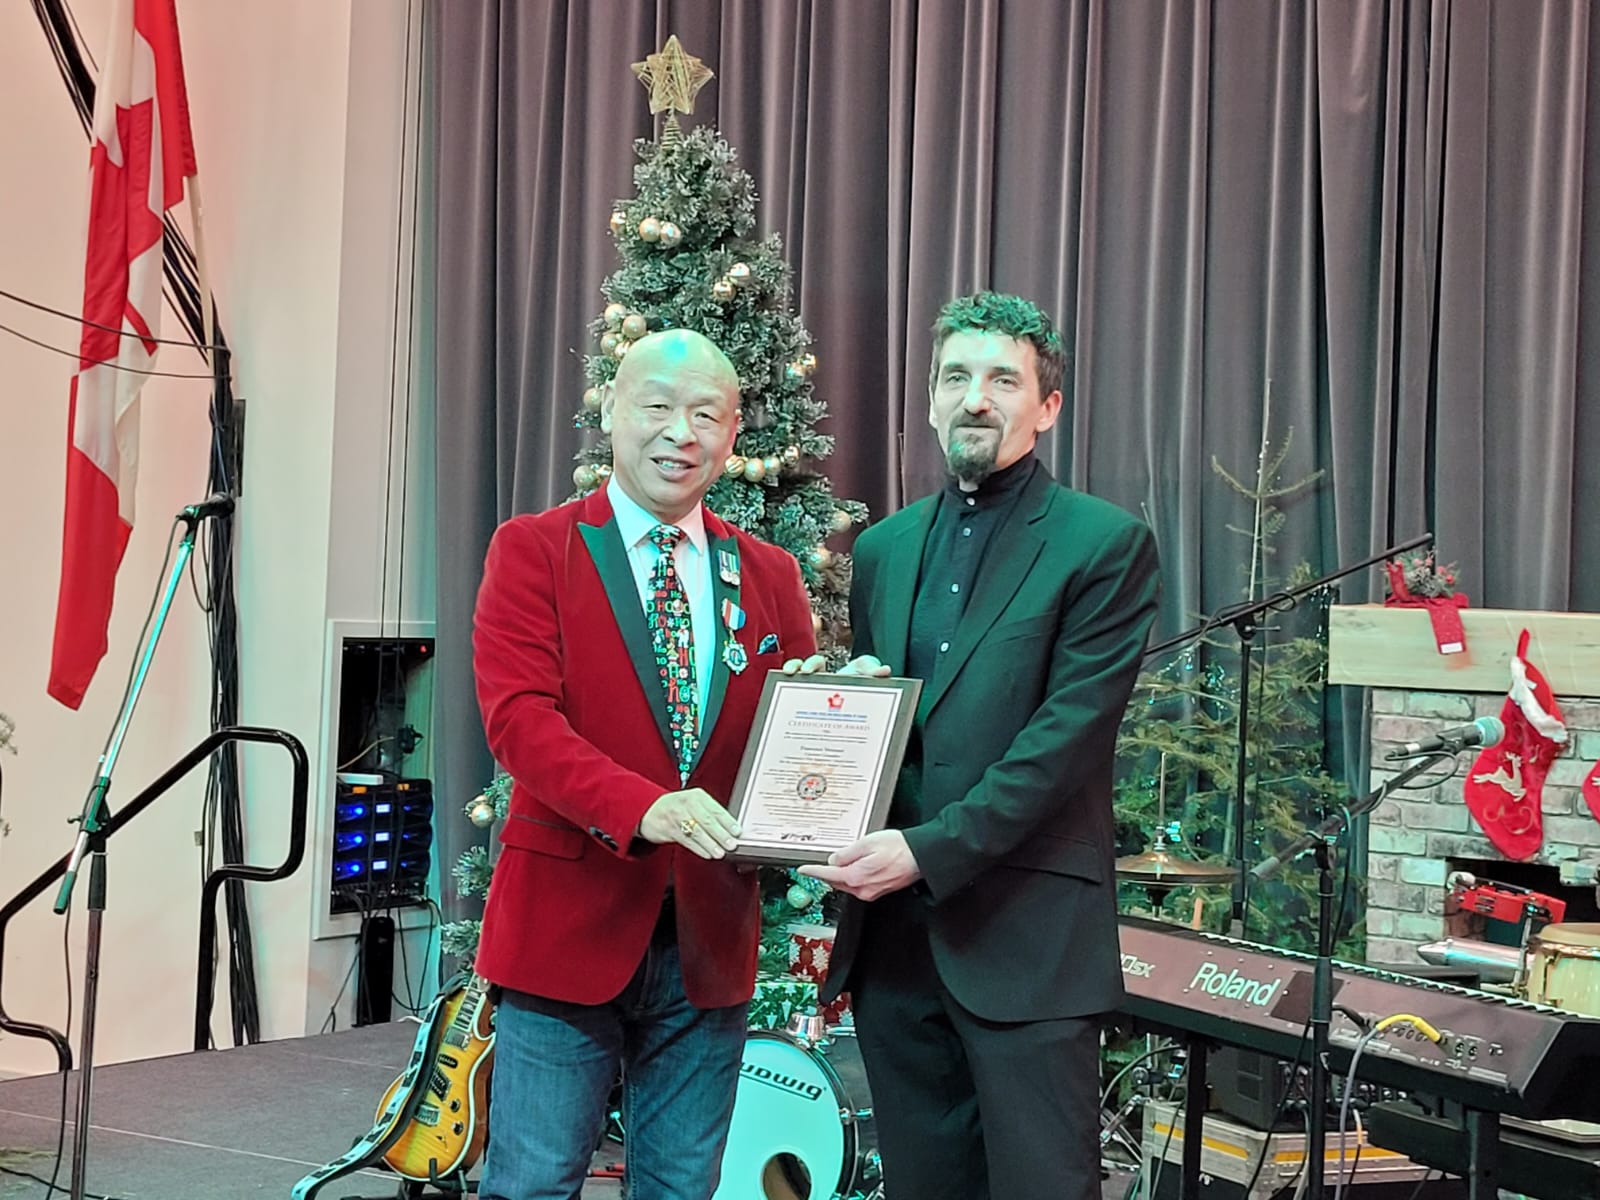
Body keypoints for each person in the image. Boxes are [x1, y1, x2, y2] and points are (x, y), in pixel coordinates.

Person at [798, 292, 1161, 1200]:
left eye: (1003, 380)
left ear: (1048, 406)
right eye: (956, 377)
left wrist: (927, 851)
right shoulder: (882, 549)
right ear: (930, 400)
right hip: (894, 949)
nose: (975, 399)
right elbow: (886, 732)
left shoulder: (1104, 545)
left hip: (1028, 944)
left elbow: (1063, 745)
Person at [472, 328, 816, 1200]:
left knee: (681, 1189)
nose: (680, 434)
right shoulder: (533, 549)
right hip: (565, 926)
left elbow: (791, 737)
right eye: (658, 407)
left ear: (732, 433)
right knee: (532, 1185)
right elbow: (519, 721)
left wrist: (835, 738)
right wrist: (642, 807)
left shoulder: (772, 575)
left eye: (706, 414)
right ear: (612, 411)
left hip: (709, 937)